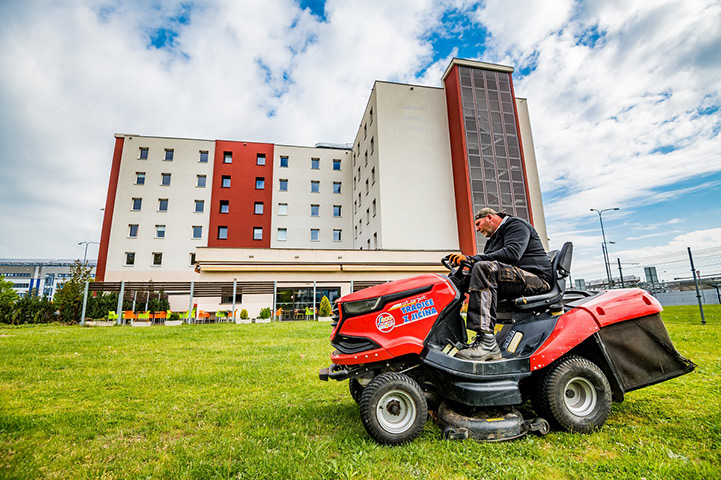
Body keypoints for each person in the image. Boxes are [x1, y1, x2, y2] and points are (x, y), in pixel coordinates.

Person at [448, 208, 553, 361]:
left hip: (537, 279)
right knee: (461, 277)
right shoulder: (492, 242)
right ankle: (456, 337)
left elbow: (512, 253)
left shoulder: (516, 225)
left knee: (483, 268)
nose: (477, 229)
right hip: (513, 279)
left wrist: (471, 259)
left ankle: (488, 343)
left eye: (478, 224)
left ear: (490, 217)